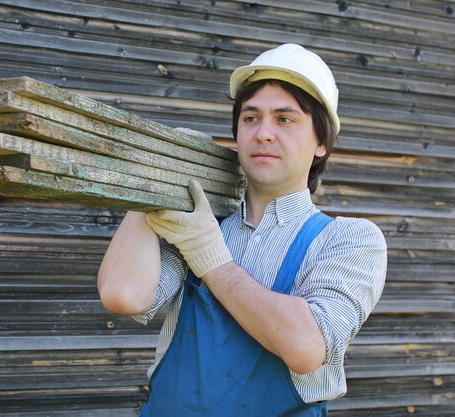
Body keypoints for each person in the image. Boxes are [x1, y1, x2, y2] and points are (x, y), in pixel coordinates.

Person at [97, 43, 387, 416]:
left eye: (285, 119)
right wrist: (162, 177)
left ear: (321, 142)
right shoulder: (200, 222)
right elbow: (125, 295)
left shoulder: (348, 239)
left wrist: (210, 258)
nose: (264, 133)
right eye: (251, 118)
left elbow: (305, 347)